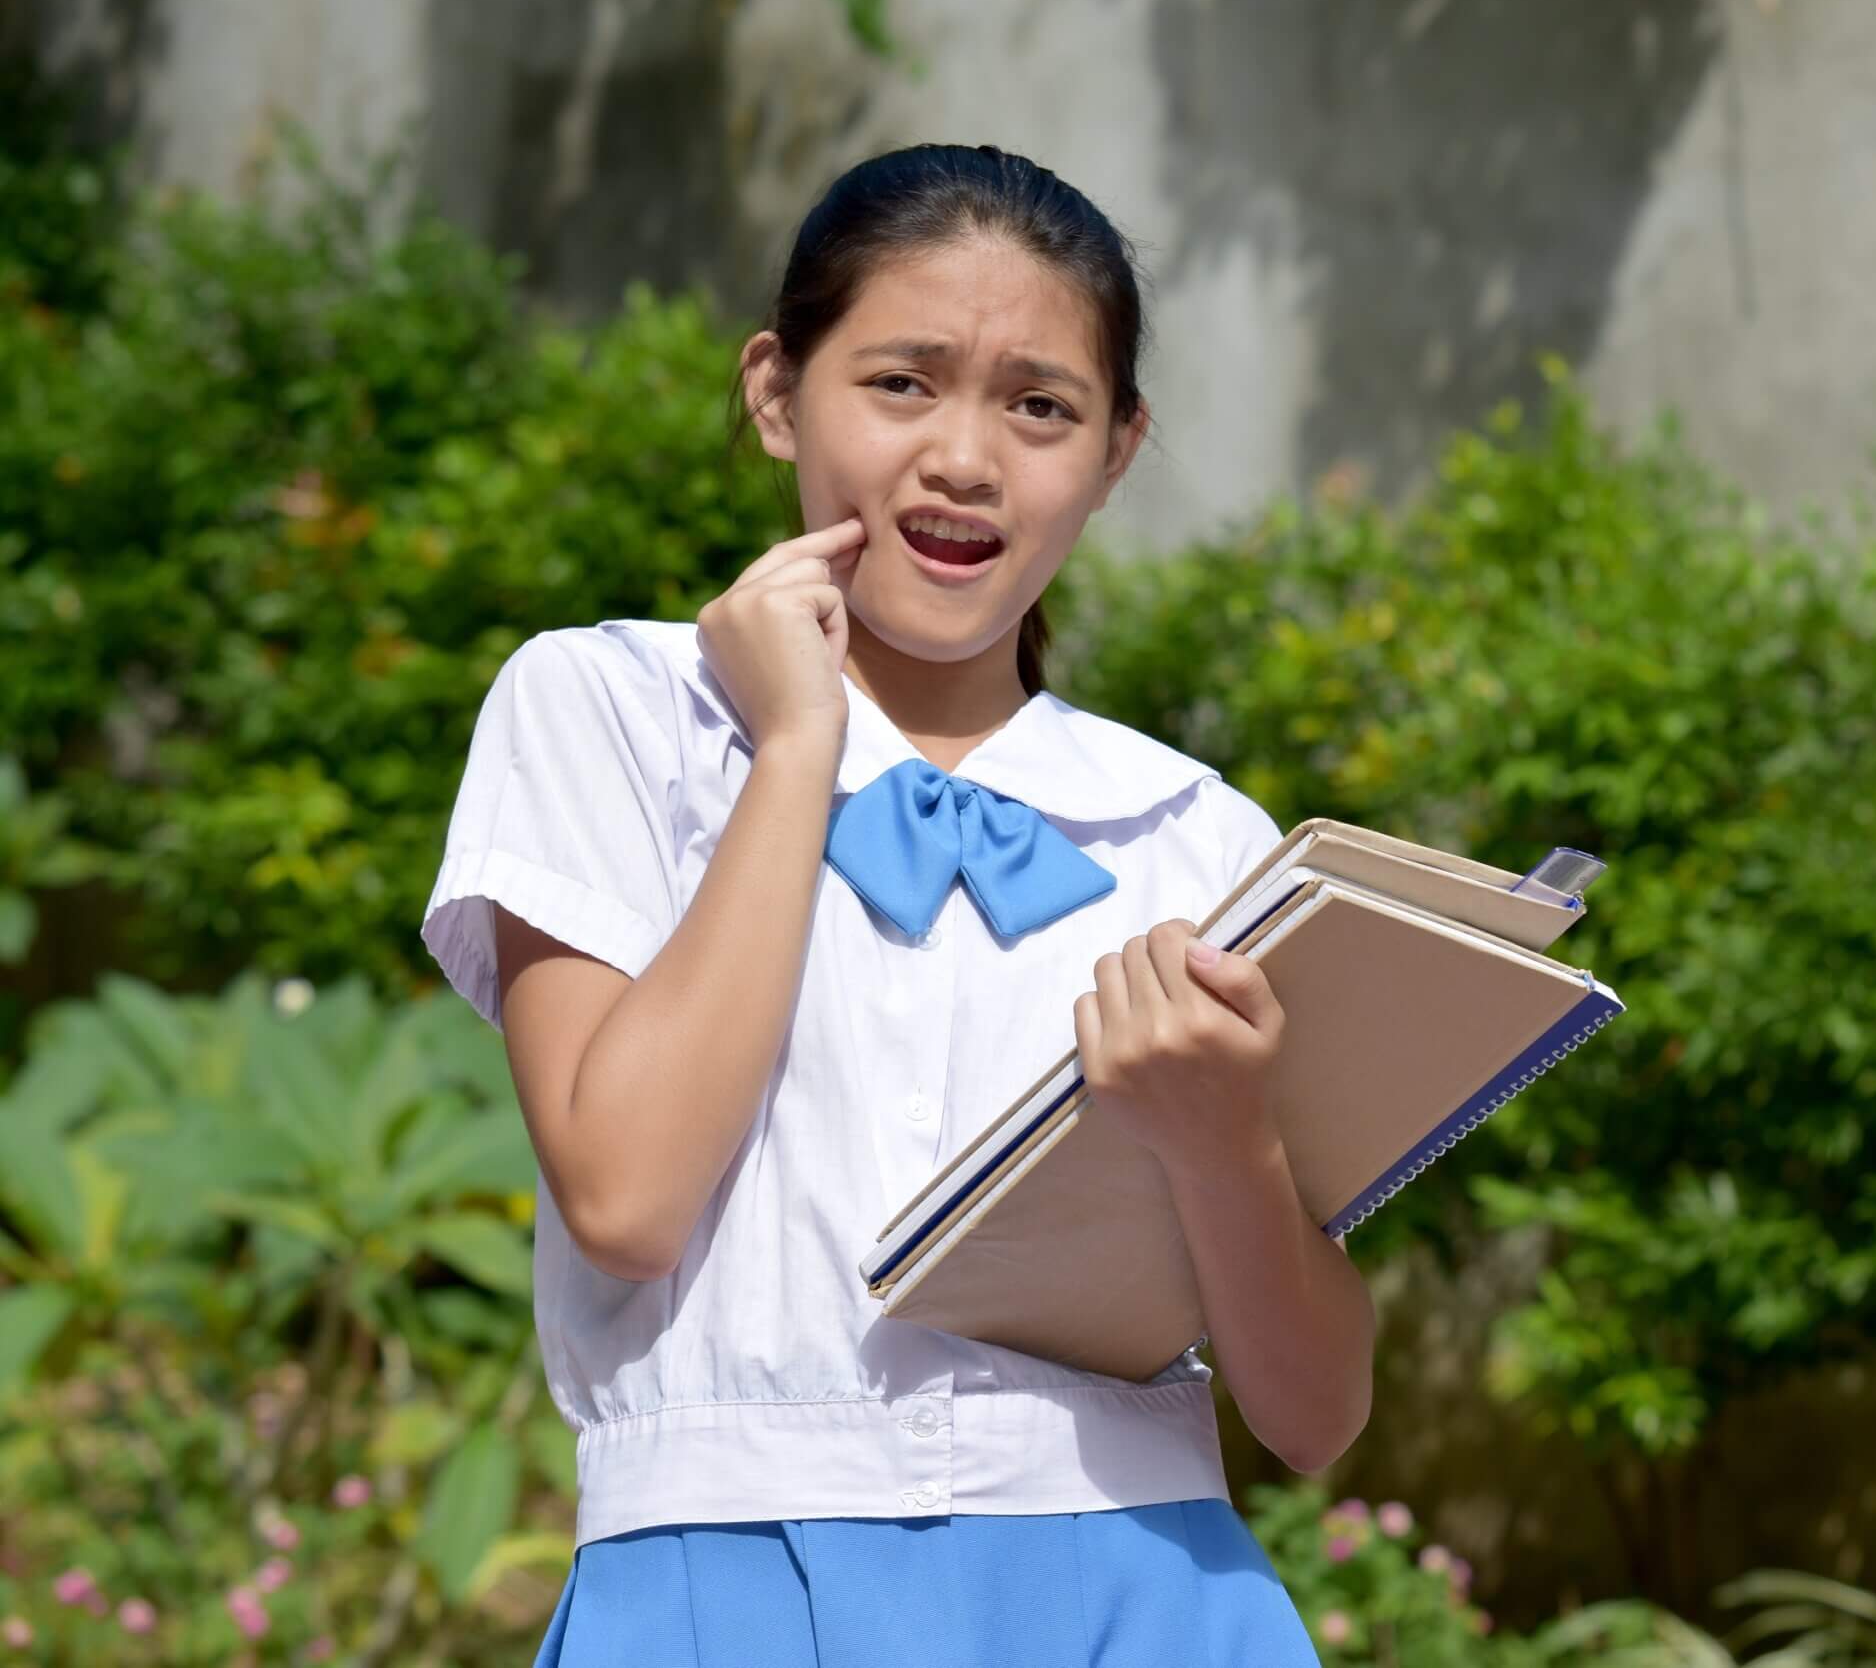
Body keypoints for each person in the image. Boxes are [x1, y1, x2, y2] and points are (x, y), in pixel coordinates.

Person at [419, 143, 1372, 1666]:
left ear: (1119, 449)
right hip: (717, 1593)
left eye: (1040, 405)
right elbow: (626, 1195)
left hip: (1146, 1592)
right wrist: (799, 745)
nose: (966, 460)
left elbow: (1314, 1419)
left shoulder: (1200, 834)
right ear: (776, 391)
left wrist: (1225, 1140)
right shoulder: (609, 709)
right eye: (903, 383)